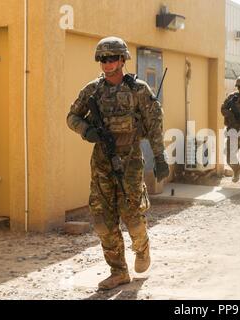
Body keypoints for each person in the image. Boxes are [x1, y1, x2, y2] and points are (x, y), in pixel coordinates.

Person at [66, 37, 170, 290]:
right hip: (101, 161)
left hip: (131, 161)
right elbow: (72, 117)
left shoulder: (138, 90)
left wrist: (159, 157)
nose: (107, 63)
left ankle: (142, 249)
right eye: (103, 58)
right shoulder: (92, 90)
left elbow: (155, 125)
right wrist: (86, 130)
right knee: (102, 220)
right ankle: (118, 271)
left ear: (123, 60)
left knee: (132, 215)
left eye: (112, 58)